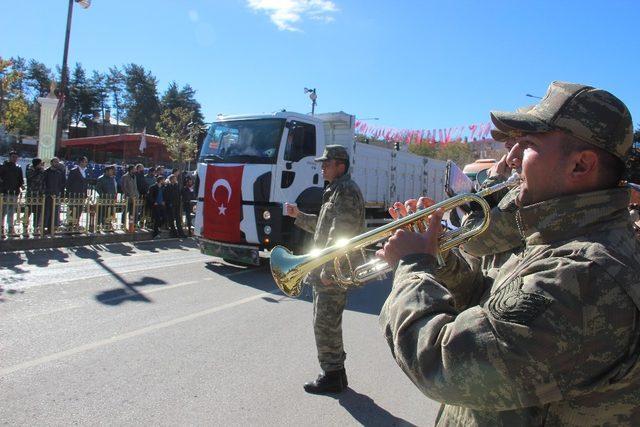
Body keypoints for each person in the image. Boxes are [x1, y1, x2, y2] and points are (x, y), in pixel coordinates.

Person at [376, 81, 640, 425]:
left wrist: (413, 266)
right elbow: (489, 307)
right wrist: (438, 258)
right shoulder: (555, 238)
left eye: (527, 145)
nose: (511, 159)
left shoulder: (585, 272)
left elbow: (443, 365)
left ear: (580, 166)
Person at [284, 145, 365, 394]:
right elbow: (323, 226)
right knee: (326, 321)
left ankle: (332, 376)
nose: (322, 167)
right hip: (329, 266)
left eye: (326, 163)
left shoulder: (346, 191)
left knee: (325, 322)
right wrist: (298, 215)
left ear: (341, 165)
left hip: (334, 269)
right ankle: (336, 374)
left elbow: (340, 234)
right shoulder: (335, 190)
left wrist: (328, 270)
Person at [0, 150, 25, 234]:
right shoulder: (3, 166)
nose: (15, 159)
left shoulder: (18, 167)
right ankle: (2, 227)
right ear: (9, 157)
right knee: (3, 211)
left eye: (16, 157)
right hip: (5, 192)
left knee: (11, 211)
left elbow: (21, 180)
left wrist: (21, 186)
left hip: (14, 192)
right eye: (13, 157)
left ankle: (10, 227)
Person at [43, 157, 66, 233]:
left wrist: (60, 193)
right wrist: (46, 191)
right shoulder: (46, 172)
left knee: (55, 212)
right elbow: (43, 183)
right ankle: (44, 227)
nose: (56, 163)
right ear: (51, 162)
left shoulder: (59, 173)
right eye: (55, 162)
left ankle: (52, 227)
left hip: (56, 194)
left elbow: (61, 184)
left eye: (57, 162)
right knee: (46, 212)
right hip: (47, 195)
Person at [65, 156, 89, 229]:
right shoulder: (74, 171)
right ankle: (70, 224)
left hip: (82, 194)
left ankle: (76, 223)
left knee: (79, 209)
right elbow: (69, 183)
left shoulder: (85, 171)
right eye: (85, 162)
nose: (86, 163)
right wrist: (68, 193)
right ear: (81, 162)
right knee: (72, 210)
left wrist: (85, 194)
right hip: (74, 194)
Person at [26, 158, 46, 233]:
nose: (41, 165)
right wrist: (38, 170)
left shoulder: (42, 171)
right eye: (40, 164)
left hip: (39, 194)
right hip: (31, 194)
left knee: (38, 212)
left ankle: (36, 227)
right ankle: (25, 226)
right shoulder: (30, 170)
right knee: (28, 212)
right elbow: (32, 178)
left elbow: (43, 181)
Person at [95, 165, 118, 229]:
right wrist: (104, 195)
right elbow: (97, 188)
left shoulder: (112, 178)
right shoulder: (101, 178)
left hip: (111, 199)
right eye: (110, 171)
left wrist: (115, 196)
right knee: (102, 213)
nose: (112, 172)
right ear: (106, 171)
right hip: (104, 199)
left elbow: (114, 189)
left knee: (110, 213)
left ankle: (108, 224)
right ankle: (99, 225)